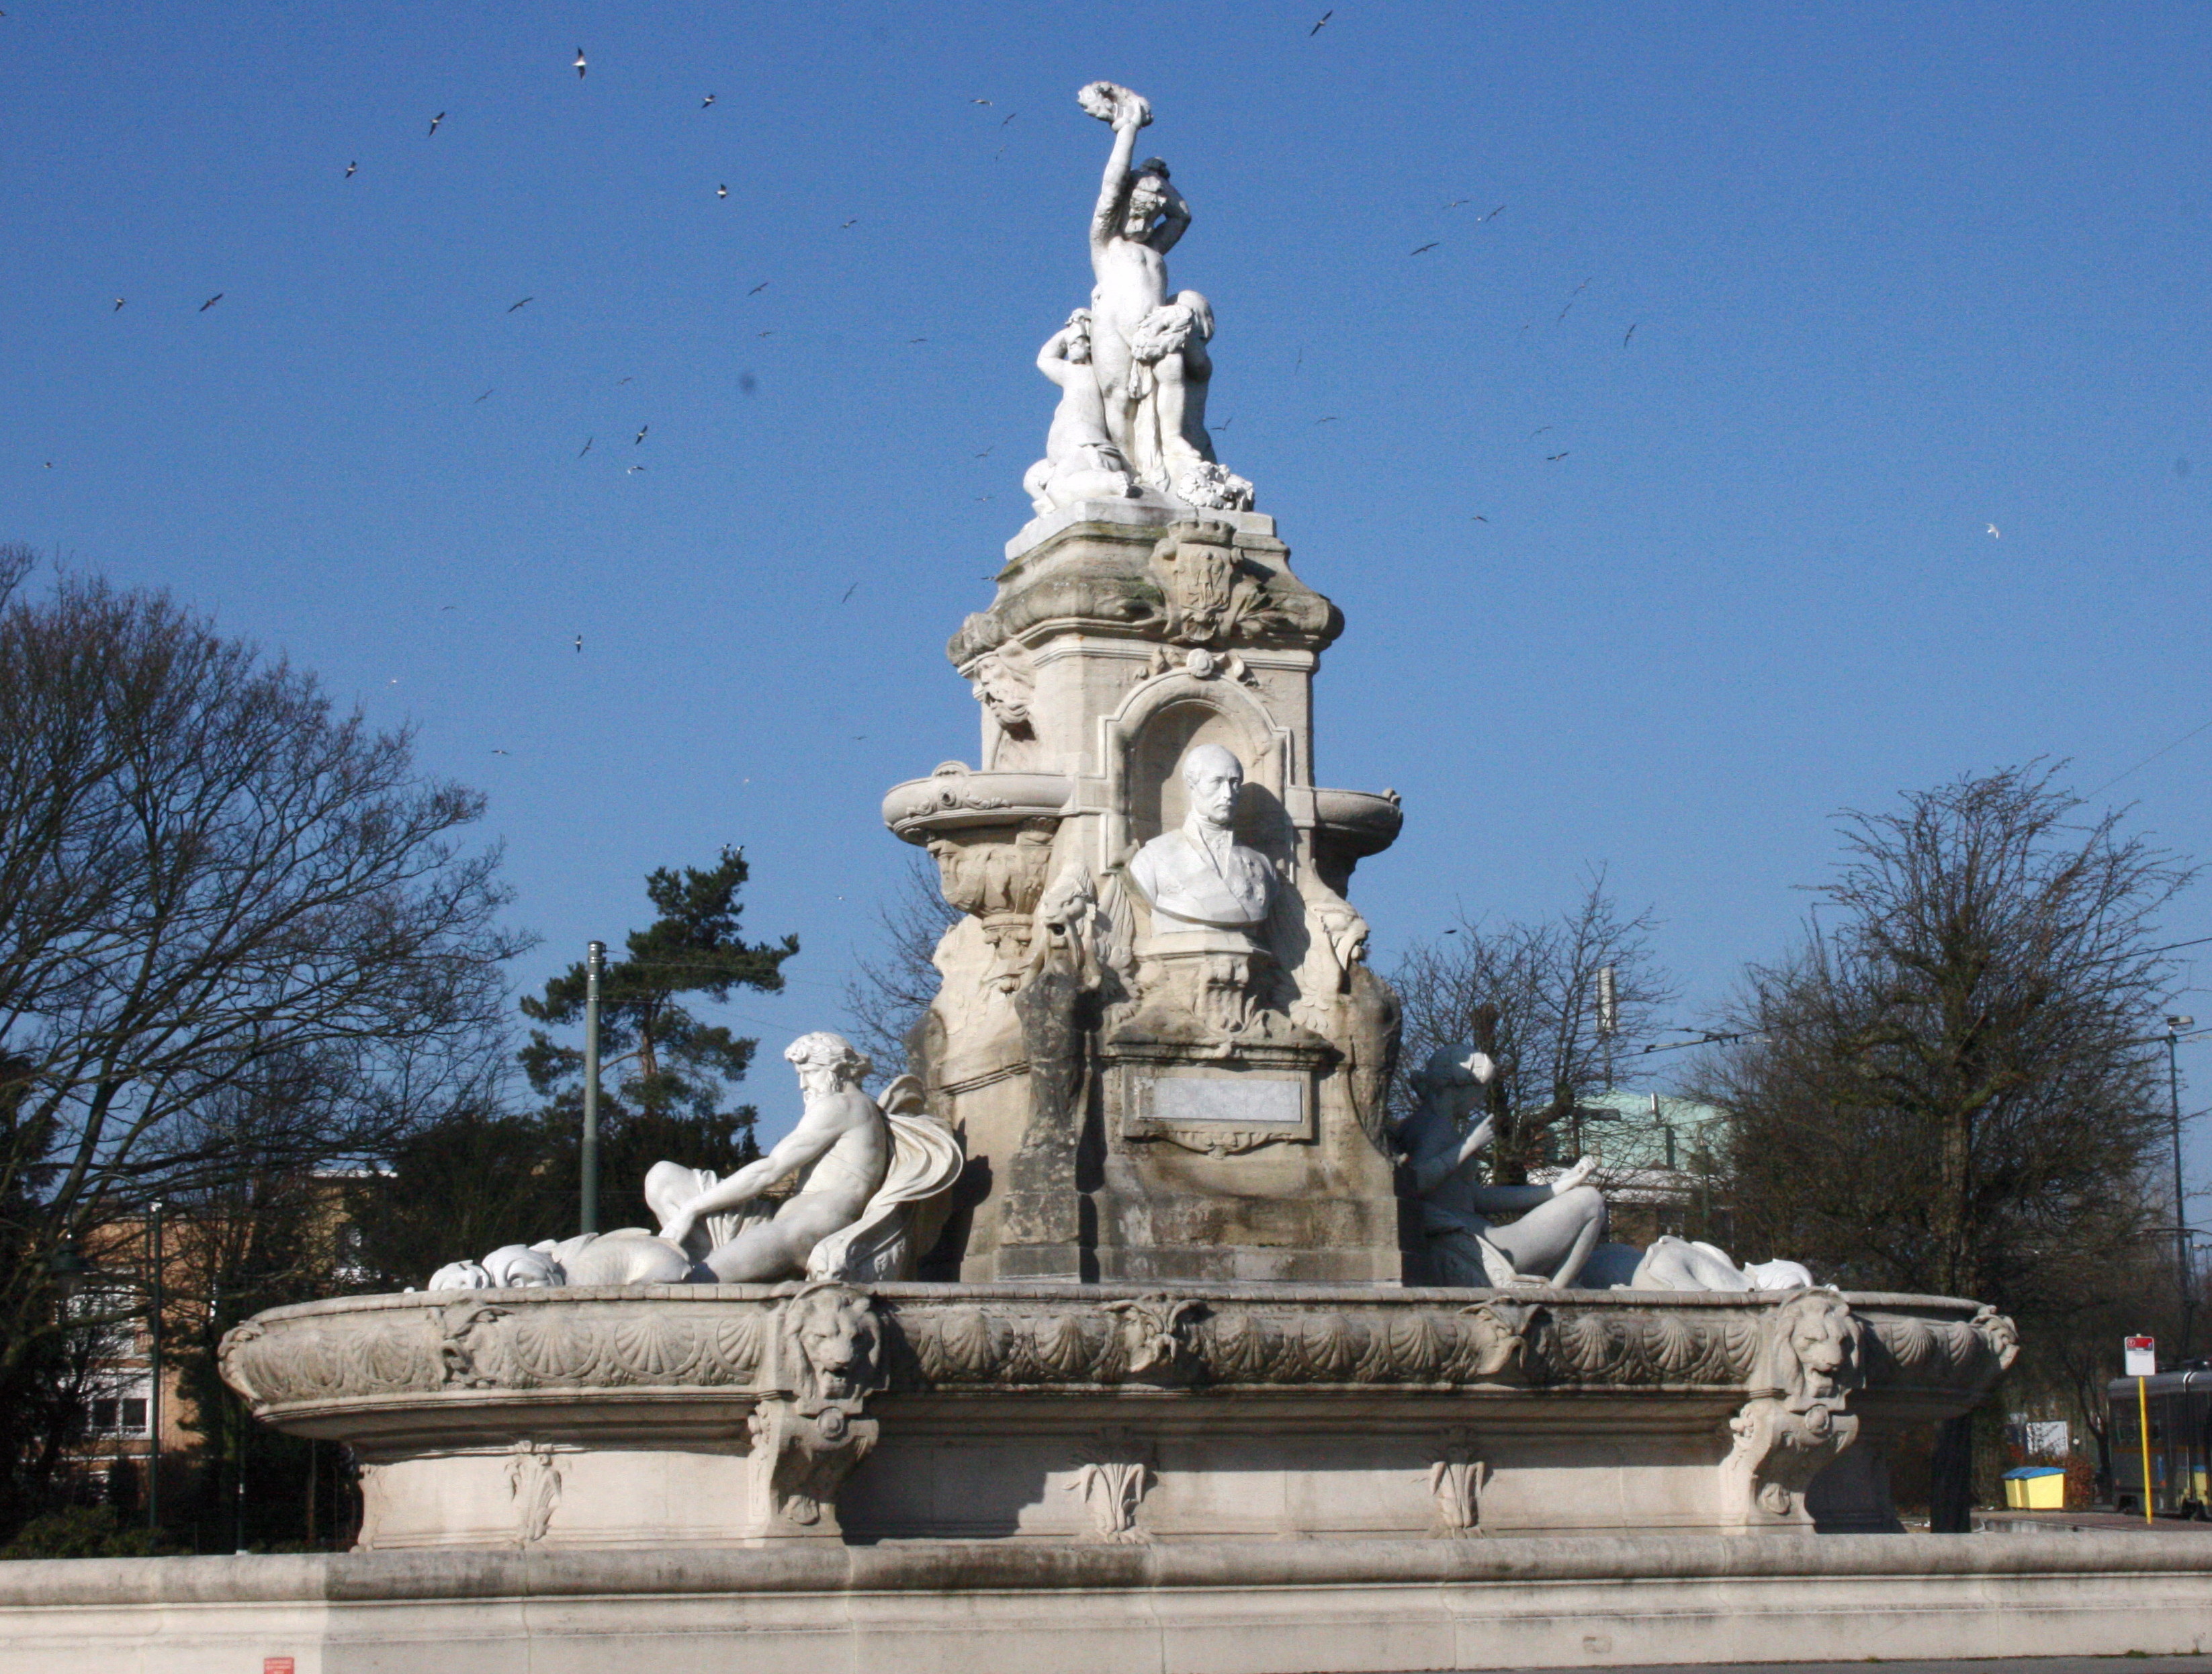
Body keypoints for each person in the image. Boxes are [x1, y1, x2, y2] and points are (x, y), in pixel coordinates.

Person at [649, 1032, 891, 1282]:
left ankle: (700, 1268)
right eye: (800, 1074)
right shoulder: (853, 1106)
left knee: (700, 1280)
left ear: (838, 1069)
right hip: (778, 1218)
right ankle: (699, 1258)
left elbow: (768, 1172)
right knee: (663, 1177)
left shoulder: (843, 1105)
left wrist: (691, 1209)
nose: (803, 1084)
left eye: (809, 1072)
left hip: (809, 1227)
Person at [1400, 1045, 1610, 1287]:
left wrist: (1558, 1187)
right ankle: (1554, 1294)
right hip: (1482, 1250)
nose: (1481, 1099)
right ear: (1464, 1087)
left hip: (1483, 1242)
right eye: (1482, 1090)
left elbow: (1479, 1198)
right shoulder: (1434, 1128)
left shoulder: (1432, 1125)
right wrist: (1469, 1144)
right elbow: (1413, 1184)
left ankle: (1556, 1290)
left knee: (1587, 1206)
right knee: (1590, 1200)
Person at [1126, 744, 1274, 932]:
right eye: (1217, 782)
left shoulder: (1263, 864)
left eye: (1234, 782)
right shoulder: (1152, 858)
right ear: (1192, 784)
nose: (1228, 794)